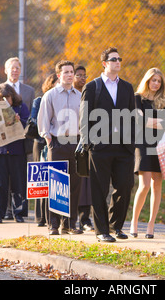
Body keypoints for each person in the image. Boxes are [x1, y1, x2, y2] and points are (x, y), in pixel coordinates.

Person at [79, 47, 136, 242]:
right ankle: (101, 230)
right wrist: (89, 144)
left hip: (123, 147)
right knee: (99, 189)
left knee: (124, 187)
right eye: (113, 59)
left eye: (119, 59)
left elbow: (131, 117)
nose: (117, 62)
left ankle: (116, 226)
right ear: (104, 63)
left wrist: (132, 143)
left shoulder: (127, 87)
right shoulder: (93, 87)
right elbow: (84, 117)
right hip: (99, 147)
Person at [37, 60, 83, 235]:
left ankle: (70, 223)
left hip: (76, 142)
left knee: (74, 184)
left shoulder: (80, 96)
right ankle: (53, 224)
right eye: (66, 72)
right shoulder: (50, 95)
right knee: (56, 183)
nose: (70, 75)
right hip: (57, 143)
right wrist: (48, 138)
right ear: (59, 75)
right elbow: (44, 120)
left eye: (72, 72)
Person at [130, 68, 165, 239]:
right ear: (147, 81)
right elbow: (137, 121)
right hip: (143, 144)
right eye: (153, 80)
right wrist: (157, 121)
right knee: (144, 185)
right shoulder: (137, 98)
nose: (156, 83)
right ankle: (134, 221)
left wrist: (149, 121)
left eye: (159, 81)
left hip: (161, 144)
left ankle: (151, 224)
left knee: (157, 185)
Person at [0, 84, 29, 223]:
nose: (5, 100)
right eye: (1, 98)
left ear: (12, 97)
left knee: (18, 183)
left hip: (16, 149)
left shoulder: (20, 107)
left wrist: (19, 121)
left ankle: (18, 213)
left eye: (7, 97)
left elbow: (27, 126)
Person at [3, 57, 35, 219]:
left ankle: (21, 209)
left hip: (23, 139)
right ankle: (7, 209)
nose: (15, 70)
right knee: (6, 175)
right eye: (12, 68)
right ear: (6, 70)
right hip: (5, 139)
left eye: (17, 68)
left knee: (22, 175)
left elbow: (30, 116)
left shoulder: (29, 91)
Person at [31, 73, 57, 227]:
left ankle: (51, 216)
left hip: (57, 144)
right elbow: (35, 121)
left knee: (53, 181)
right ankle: (40, 216)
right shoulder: (39, 100)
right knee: (41, 181)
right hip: (41, 143)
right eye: (55, 83)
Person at [74, 65, 94, 231]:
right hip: (70, 141)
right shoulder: (70, 95)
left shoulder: (89, 94)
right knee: (74, 180)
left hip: (86, 141)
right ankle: (71, 217)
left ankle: (85, 218)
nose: (82, 78)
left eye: (84, 75)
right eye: (78, 75)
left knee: (86, 181)